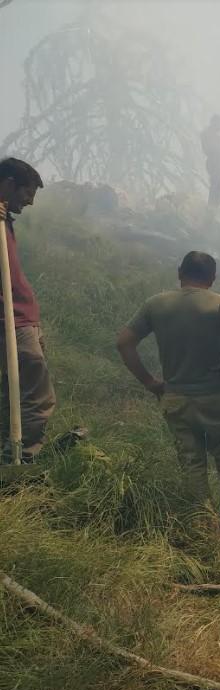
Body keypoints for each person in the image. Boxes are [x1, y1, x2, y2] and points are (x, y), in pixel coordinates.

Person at [116, 251, 220, 504]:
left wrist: (150, 382)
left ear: (180, 273)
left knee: (192, 464)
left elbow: (124, 343)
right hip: (215, 398)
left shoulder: (155, 304)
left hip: (176, 397)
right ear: (212, 278)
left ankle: (203, 524)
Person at [0, 157, 53, 464]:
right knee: (37, 396)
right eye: (27, 193)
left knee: (12, 393)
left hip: (21, 319)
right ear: (8, 184)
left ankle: (9, 455)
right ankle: (21, 461)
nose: (30, 202)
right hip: (13, 321)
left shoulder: (5, 219)